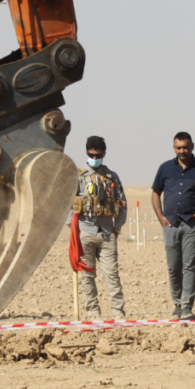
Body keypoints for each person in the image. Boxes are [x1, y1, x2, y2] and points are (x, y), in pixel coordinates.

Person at [151, 132, 195, 320]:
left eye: (185, 147)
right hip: (170, 224)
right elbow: (155, 193)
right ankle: (177, 305)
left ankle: (186, 307)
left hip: (192, 225)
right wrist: (160, 217)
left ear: (192, 146)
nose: (182, 151)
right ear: (173, 148)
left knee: (190, 266)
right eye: (178, 148)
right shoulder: (165, 168)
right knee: (173, 267)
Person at [70, 136, 128, 319]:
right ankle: (93, 313)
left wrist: (117, 228)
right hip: (85, 232)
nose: (94, 158)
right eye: (91, 154)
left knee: (112, 275)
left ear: (104, 154)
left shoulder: (112, 177)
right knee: (87, 276)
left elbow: (122, 204)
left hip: (107, 233)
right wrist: (72, 229)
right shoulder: (77, 177)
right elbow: (67, 204)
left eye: (98, 155)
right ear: (86, 153)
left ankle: (118, 314)